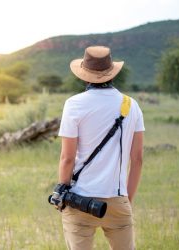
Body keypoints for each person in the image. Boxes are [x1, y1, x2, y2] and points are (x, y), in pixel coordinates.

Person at [55, 46, 145, 249]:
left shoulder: (74, 104)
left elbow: (67, 158)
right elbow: (137, 158)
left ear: (84, 75)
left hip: (79, 200)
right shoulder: (131, 105)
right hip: (117, 200)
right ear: (112, 72)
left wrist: (61, 192)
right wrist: (126, 200)